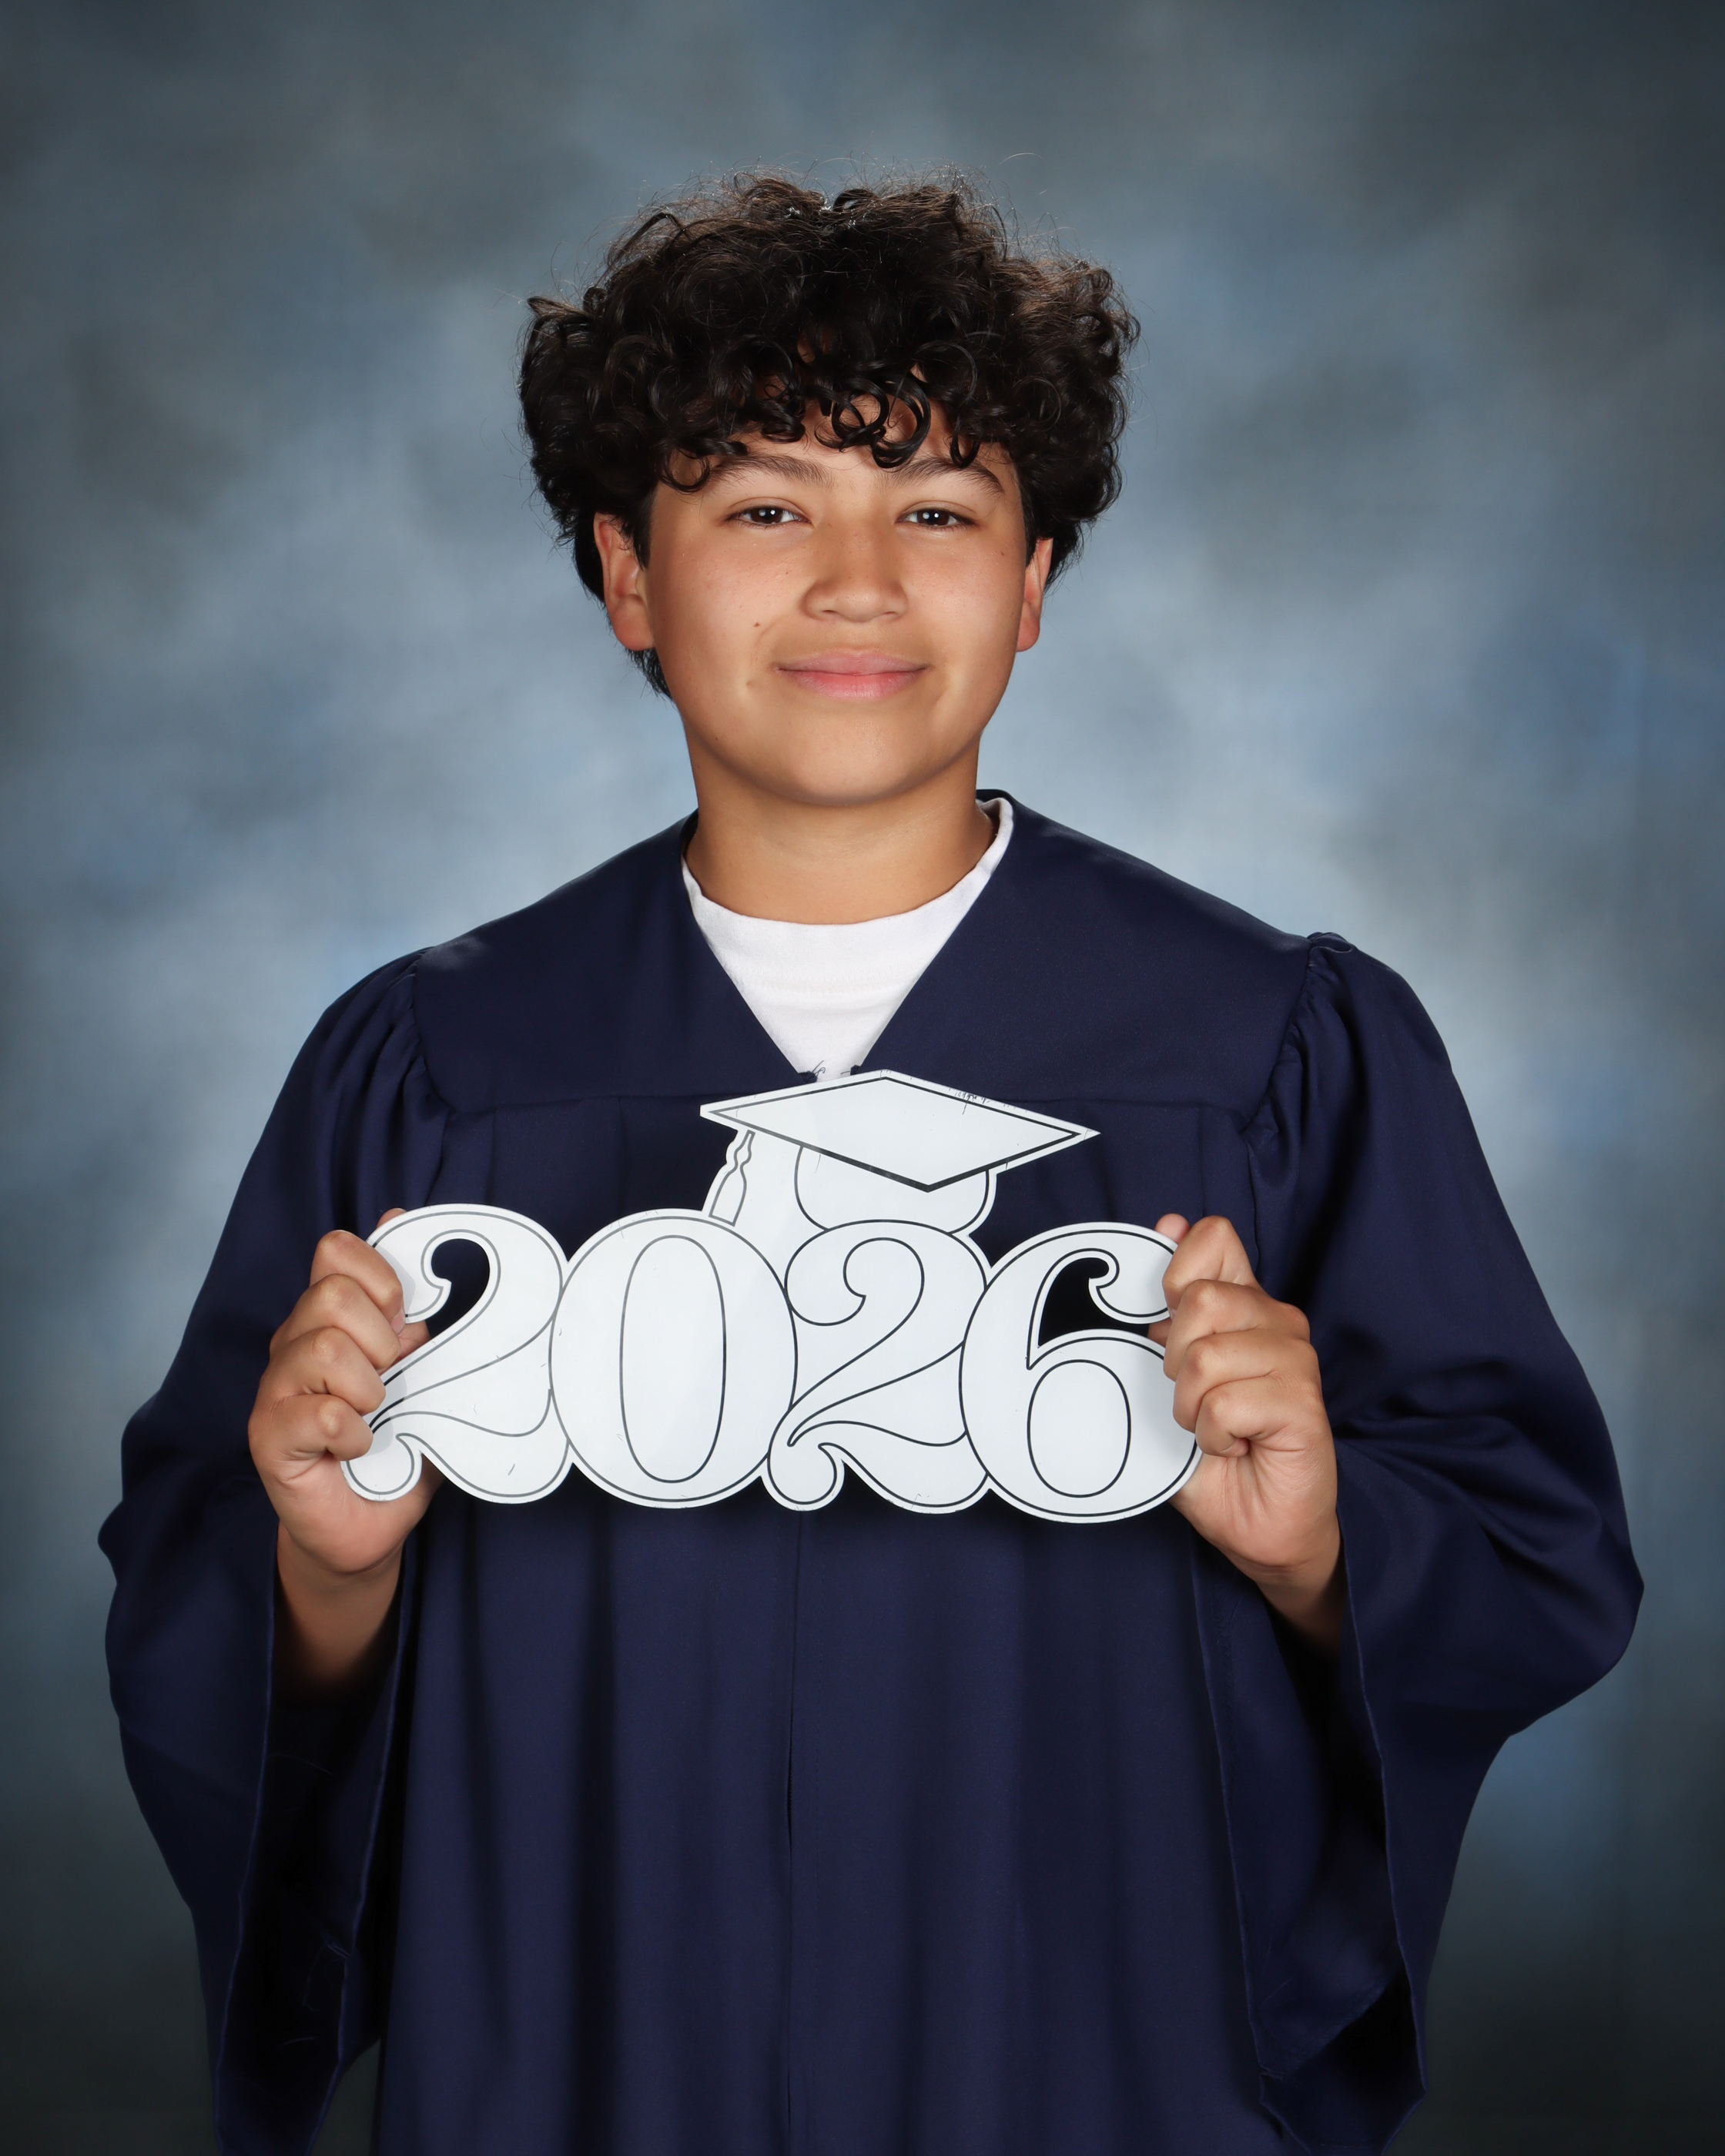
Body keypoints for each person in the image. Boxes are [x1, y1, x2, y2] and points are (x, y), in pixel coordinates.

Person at [102, 175, 1640, 2156]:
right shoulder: (432, 1071)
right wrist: (322, 1566)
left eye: (936, 512)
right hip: (577, 2064)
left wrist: (1325, 1542)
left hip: (1093, 2065)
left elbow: (1532, 1552)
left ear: (1034, 578)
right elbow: (203, 1601)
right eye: (763, 509)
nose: (855, 583)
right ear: (625, 574)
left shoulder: (1269, 1048)